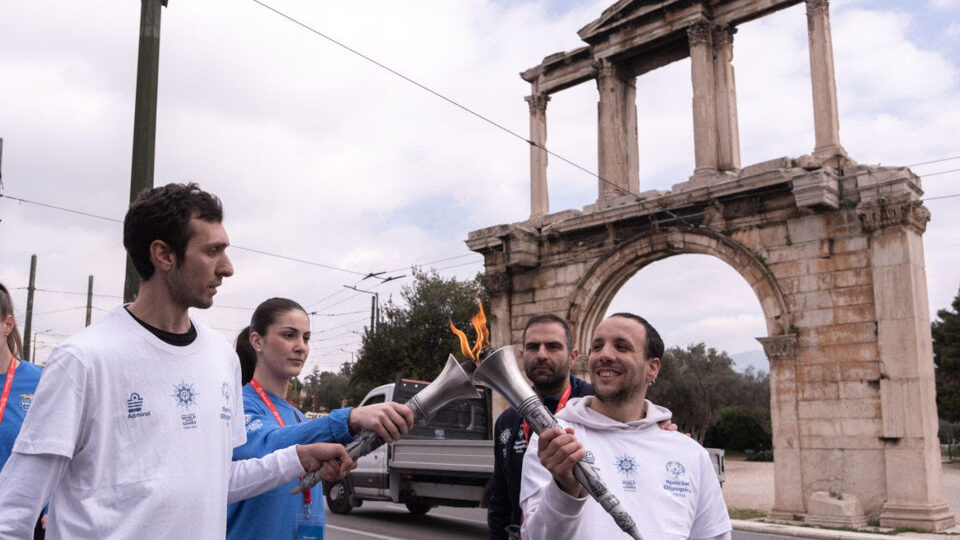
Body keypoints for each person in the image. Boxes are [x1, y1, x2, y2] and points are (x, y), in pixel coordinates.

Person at [0, 183, 355, 539]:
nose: (227, 268)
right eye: (213, 251)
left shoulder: (222, 358)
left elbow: (217, 483)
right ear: (164, 255)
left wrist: (297, 458)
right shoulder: (82, 360)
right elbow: (14, 511)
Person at [520, 313, 731, 540]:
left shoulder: (690, 453)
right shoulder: (556, 440)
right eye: (597, 346)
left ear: (653, 368)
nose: (605, 355)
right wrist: (564, 489)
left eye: (621, 347)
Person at [226, 297, 414, 540]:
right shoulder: (239, 403)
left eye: (306, 338)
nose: (300, 346)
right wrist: (350, 418)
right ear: (257, 341)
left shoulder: (300, 418)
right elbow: (267, 446)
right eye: (289, 335)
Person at [487, 314, 594, 540]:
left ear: (573, 356)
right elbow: (500, 500)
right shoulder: (507, 421)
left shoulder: (597, 405)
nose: (542, 355)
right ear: (522, 355)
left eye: (553, 347)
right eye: (533, 347)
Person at [0, 282, 45, 539]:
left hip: (28, 522)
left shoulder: (41, 382)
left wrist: (53, 506)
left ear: (8, 324)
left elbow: (65, 454)